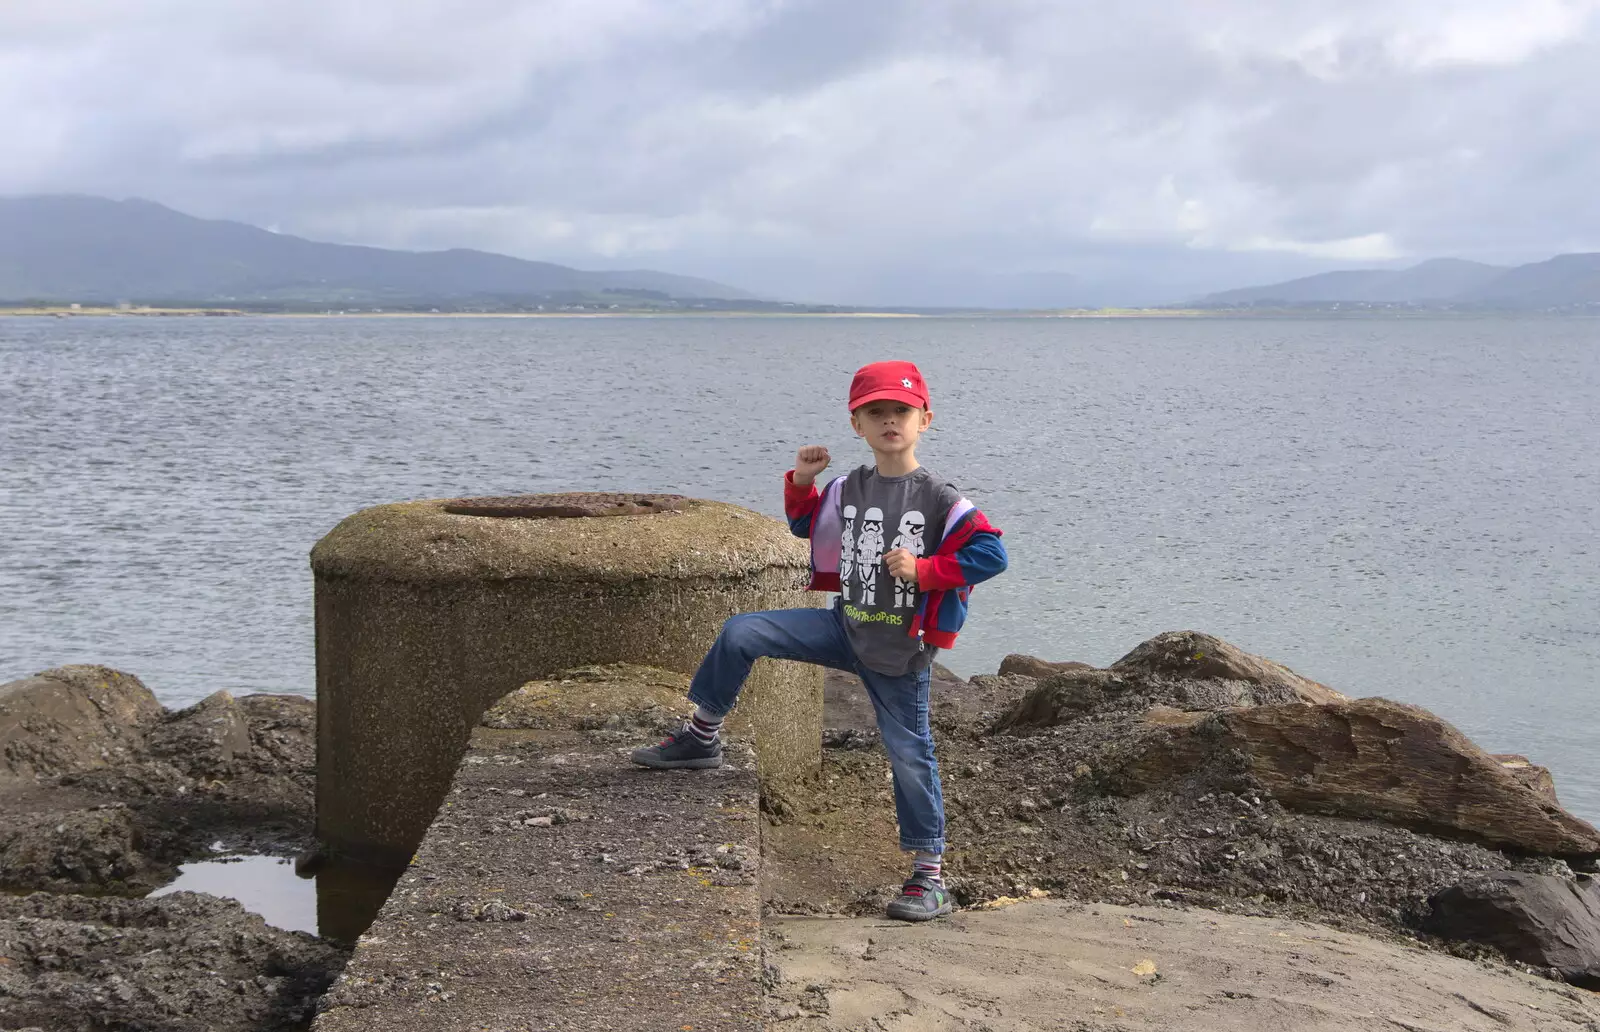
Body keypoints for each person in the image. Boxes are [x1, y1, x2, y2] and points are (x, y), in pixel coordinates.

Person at [630, 360, 1008, 921]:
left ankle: (929, 878)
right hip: (842, 625)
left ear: (925, 419)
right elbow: (810, 525)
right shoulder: (849, 486)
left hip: (897, 650)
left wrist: (926, 569)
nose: (889, 421)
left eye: (901, 411)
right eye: (875, 412)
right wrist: (803, 481)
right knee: (742, 631)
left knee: (909, 753)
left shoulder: (940, 498)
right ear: (857, 424)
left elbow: (990, 555)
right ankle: (701, 737)